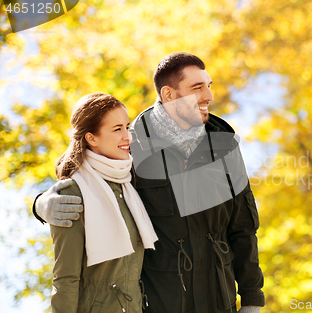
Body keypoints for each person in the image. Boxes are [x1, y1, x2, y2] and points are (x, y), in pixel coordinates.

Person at [34, 53, 265, 313]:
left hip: (220, 301)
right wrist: (41, 203)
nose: (208, 96)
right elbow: (91, 177)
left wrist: (252, 298)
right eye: (197, 88)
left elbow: (243, 228)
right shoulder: (135, 143)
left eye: (208, 86)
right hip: (160, 303)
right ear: (168, 95)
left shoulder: (223, 144)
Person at [49, 93, 158, 313]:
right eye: (117, 129)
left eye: (127, 127)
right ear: (92, 138)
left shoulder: (130, 184)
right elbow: (66, 277)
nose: (127, 136)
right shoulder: (73, 192)